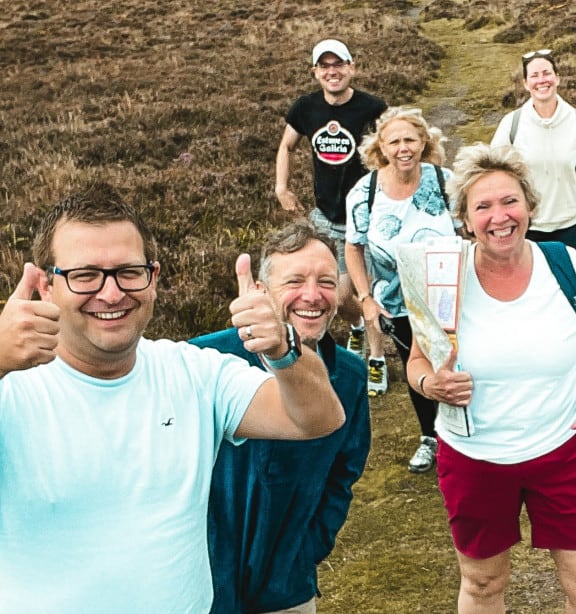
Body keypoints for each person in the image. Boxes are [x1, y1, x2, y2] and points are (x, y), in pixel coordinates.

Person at [0, 184, 344, 612]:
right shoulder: (10, 389)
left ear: (154, 279)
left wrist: (283, 346)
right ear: (47, 286)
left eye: (129, 271)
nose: (111, 293)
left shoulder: (194, 373)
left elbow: (317, 419)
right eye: (85, 275)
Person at [405, 143, 576, 613]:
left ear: (529, 206)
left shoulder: (564, 265)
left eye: (510, 201)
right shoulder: (443, 275)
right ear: (465, 219)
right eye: (482, 206)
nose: (498, 216)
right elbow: (417, 364)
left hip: (563, 448)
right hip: (473, 455)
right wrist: (430, 386)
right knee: (482, 584)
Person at [190, 219, 370, 614]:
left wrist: (311, 545)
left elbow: (345, 472)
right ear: (260, 290)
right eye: (295, 281)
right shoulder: (203, 361)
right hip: (203, 581)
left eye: (326, 281)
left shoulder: (350, 377)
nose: (313, 295)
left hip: (288, 583)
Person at [344, 106, 457, 474]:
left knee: (462, 363)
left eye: (410, 139)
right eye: (394, 141)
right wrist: (366, 299)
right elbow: (353, 247)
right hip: (397, 302)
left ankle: (467, 438)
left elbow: (470, 231)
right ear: (381, 147)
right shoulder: (366, 191)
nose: (403, 148)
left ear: (424, 142)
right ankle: (431, 437)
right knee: (419, 367)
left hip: (451, 296)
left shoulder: (446, 181)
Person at [274, 38, 389, 396]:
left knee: (354, 293)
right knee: (338, 297)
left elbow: (394, 146)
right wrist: (282, 187)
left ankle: (377, 361)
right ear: (315, 72)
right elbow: (286, 146)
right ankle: (358, 325)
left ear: (351, 67)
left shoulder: (372, 107)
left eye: (338, 64)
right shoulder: (305, 109)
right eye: (324, 66)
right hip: (324, 216)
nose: (332, 72)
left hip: (365, 218)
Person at [491, 48, 576, 253]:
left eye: (547, 73)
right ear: (525, 83)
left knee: (564, 283)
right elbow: (492, 174)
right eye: (534, 76)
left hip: (569, 225)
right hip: (525, 225)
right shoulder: (512, 124)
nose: (542, 80)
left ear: (557, 78)